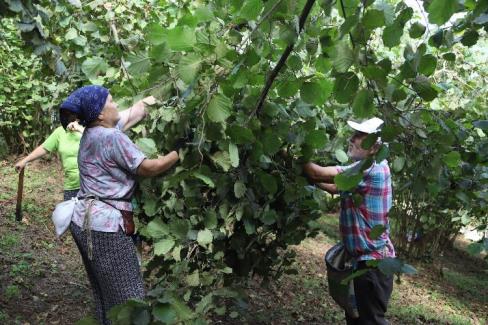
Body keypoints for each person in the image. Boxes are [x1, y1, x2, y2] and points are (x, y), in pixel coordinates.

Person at [59, 85, 180, 325]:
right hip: (106, 227)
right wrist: (177, 152)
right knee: (129, 299)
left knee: (105, 295)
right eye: (112, 101)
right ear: (100, 114)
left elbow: (136, 111)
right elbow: (148, 168)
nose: (117, 105)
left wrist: (170, 88)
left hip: (85, 222)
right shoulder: (111, 136)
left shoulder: (92, 132)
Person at [303, 117, 395, 325]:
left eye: (360, 136)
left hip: (373, 266)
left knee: (370, 321)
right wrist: (313, 180)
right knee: (357, 319)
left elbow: (316, 173)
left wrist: (289, 153)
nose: (352, 139)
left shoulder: (371, 168)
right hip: (364, 263)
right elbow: (336, 187)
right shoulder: (370, 167)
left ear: (374, 147)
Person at [14, 111, 84, 200]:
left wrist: (80, 129)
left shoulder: (91, 129)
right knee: (71, 213)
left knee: (92, 213)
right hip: (71, 185)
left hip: (93, 185)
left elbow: (100, 143)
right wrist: (24, 161)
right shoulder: (60, 132)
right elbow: (44, 148)